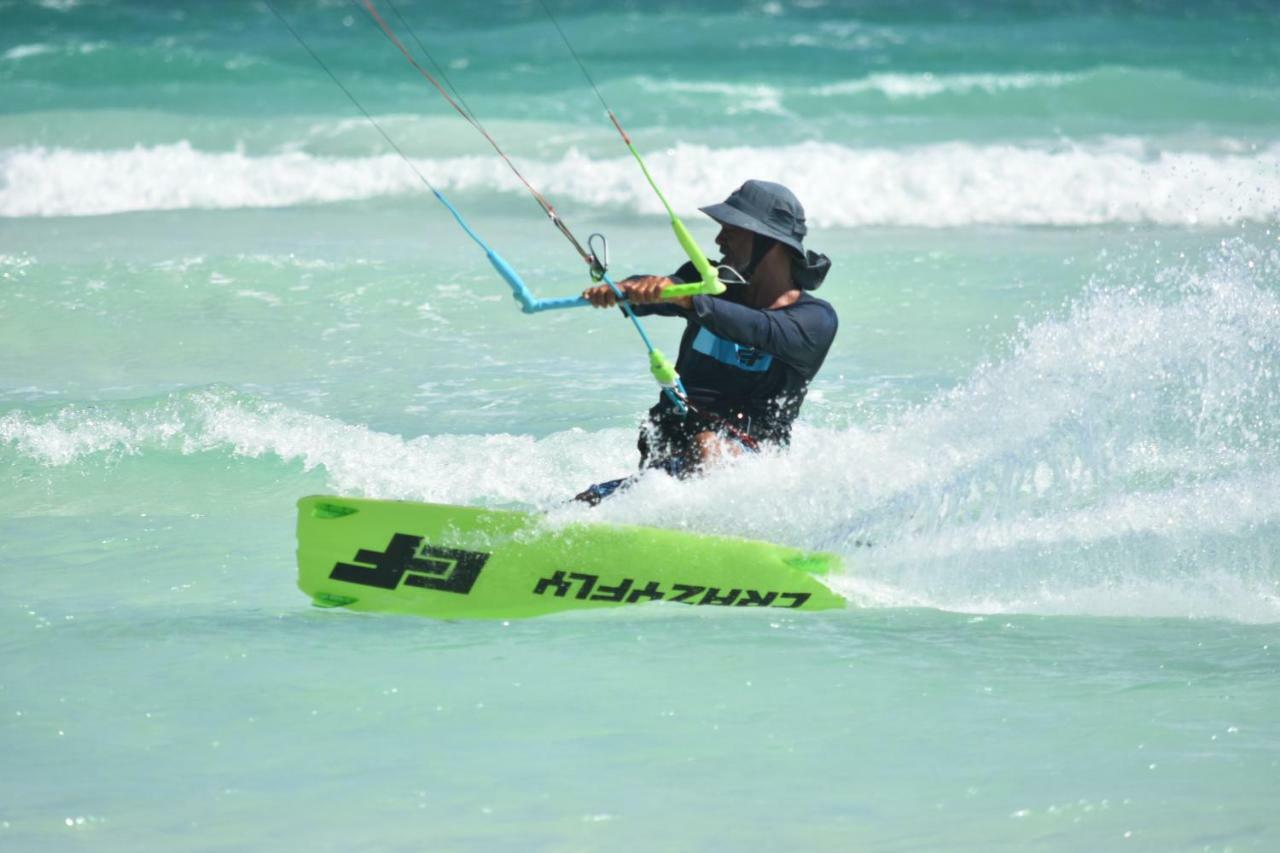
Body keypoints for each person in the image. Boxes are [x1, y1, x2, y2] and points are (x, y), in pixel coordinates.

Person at [575, 180, 837, 504]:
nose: (718, 239)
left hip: (749, 473)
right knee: (582, 506)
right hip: (671, 458)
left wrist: (690, 301)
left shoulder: (814, 320)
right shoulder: (704, 283)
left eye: (732, 229)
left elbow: (758, 328)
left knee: (708, 446)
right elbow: (668, 289)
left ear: (770, 242)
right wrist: (626, 290)